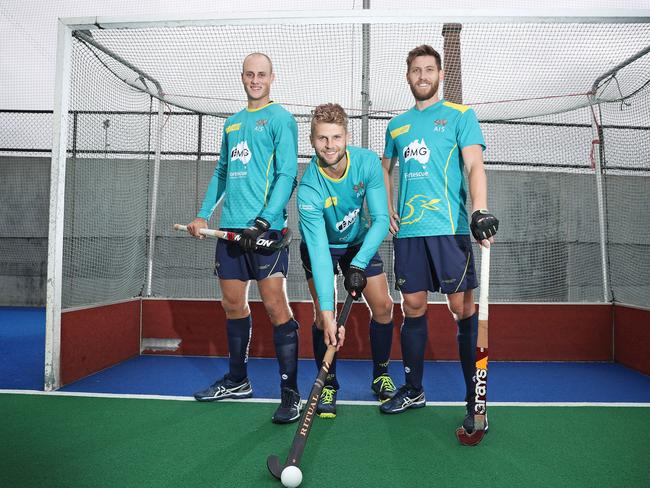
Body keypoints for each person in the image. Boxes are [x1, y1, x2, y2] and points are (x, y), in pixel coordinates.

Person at [380, 45, 499, 434]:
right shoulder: (396, 126)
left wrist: (479, 210)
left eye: (429, 69)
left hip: (448, 230)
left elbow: (474, 165)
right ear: (407, 76)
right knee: (412, 306)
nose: (422, 76)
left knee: (462, 310)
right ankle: (413, 389)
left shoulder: (461, 116)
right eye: (416, 70)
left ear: (440, 74)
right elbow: (384, 170)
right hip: (410, 234)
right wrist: (386, 209)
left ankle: (473, 401)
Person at [186, 53, 301, 424]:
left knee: (274, 307)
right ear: (242, 78)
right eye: (250, 74)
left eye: (262, 74)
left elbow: (286, 174)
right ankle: (238, 380)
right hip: (231, 231)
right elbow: (222, 171)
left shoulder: (281, 119)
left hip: (265, 233)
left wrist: (265, 221)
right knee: (233, 304)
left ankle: (291, 393)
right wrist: (204, 213)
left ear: (272, 77)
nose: (255, 80)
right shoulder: (233, 124)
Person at [297, 103, 396, 419]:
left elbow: (381, 219)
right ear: (312, 140)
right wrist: (328, 314)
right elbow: (320, 257)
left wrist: (358, 264)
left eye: (336, 137)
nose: (330, 145)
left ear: (347, 136)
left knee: (383, 307)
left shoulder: (367, 163)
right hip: (321, 247)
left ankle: (380, 374)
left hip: (358, 243)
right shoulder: (309, 188)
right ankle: (328, 383)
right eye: (323, 138)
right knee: (322, 316)